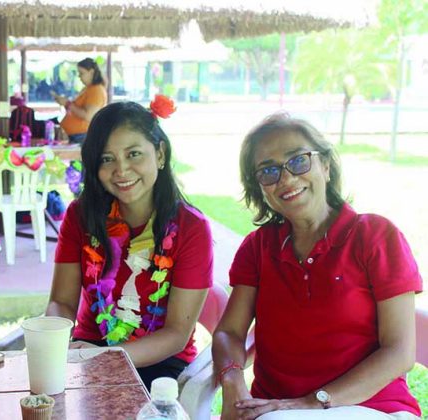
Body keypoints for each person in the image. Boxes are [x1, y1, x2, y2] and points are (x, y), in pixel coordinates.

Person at [212, 113, 422, 420]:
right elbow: (229, 332)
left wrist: (312, 402)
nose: (286, 179)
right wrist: (232, 382)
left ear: (325, 165)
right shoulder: (258, 247)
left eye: (298, 160)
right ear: (259, 188)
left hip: (372, 408)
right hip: (274, 410)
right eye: (268, 171)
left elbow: (399, 353)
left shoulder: (375, 236)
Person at [46, 100, 213, 388]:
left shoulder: (192, 228)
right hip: (88, 348)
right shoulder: (80, 215)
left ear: (160, 154)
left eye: (133, 154)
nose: (121, 170)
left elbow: (176, 334)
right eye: (107, 159)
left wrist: (107, 358)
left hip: (160, 361)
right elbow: (61, 302)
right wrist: (53, 337)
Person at [53, 58, 108, 145]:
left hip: (82, 136)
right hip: (75, 136)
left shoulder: (96, 90)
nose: (79, 76)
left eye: (82, 73)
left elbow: (88, 116)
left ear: (91, 72)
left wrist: (67, 103)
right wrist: (65, 103)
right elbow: (76, 110)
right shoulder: (87, 89)